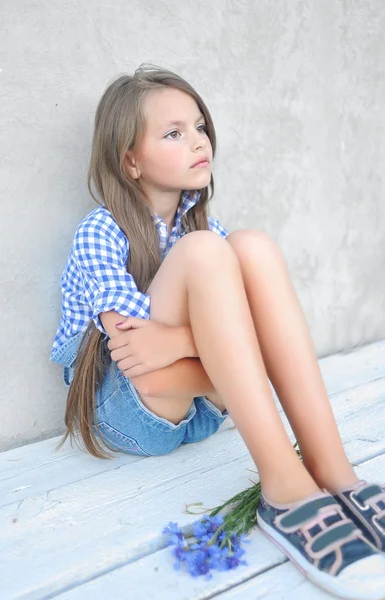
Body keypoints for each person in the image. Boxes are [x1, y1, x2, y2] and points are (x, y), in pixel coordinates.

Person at [50, 64, 385, 598]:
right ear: (130, 160)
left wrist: (185, 341)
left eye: (200, 126)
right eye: (173, 133)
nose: (198, 141)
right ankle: (287, 491)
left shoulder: (199, 227)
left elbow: (239, 338)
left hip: (202, 407)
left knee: (251, 245)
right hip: (132, 413)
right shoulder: (103, 231)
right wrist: (217, 349)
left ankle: (335, 470)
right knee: (207, 253)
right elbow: (143, 363)